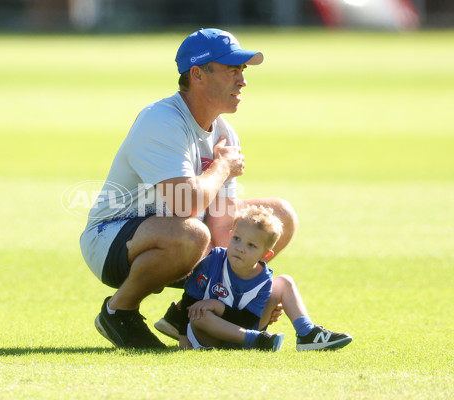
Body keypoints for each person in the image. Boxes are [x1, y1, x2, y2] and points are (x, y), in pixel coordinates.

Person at [80, 28, 298, 349]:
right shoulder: (162, 120)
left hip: (180, 236)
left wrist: (247, 292)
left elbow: (222, 225)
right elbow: (185, 205)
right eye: (231, 70)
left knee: (279, 215)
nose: (242, 81)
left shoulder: (225, 133)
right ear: (197, 74)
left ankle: (186, 315)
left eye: (242, 71)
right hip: (111, 239)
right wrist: (222, 167)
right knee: (192, 233)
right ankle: (118, 312)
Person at [177, 205, 353, 351]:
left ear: (265, 255)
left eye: (251, 245)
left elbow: (248, 320)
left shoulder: (263, 279)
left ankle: (307, 333)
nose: (240, 248)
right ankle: (260, 341)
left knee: (284, 282)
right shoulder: (213, 261)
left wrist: (218, 306)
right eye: (237, 239)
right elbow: (188, 300)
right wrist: (183, 339)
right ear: (231, 236)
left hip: (246, 332)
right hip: (211, 336)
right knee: (199, 316)